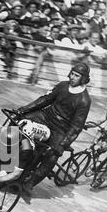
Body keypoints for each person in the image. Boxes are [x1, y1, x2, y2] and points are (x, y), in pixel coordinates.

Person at [16, 62, 92, 193]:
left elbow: (76, 126)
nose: (72, 77)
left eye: (77, 76)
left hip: (61, 128)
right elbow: (45, 99)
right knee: (19, 121)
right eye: (72, 74)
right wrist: (23, 110)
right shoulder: (62, 85)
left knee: (52, 156)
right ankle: (0, 153)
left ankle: (31, 183)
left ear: (83, 78)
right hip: (45, 116)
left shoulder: (84, 100)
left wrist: (63, 144)